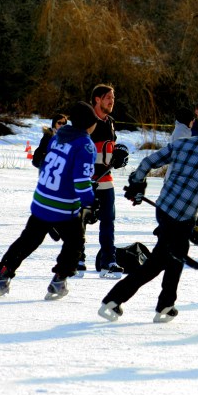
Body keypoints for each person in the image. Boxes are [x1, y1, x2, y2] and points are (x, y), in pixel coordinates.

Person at [98, 108, 198, 323]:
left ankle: (165, 305)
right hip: (183, 218)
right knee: (158, 263)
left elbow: (147, 163)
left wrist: (137, 183)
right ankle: (116, 300)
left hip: (164, 209)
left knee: (171, 260)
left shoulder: (183, 144)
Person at [0, 102, 99, 300]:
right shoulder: (85, 145)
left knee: (28, 240)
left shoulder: (57, 137)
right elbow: (81, 182)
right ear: (88, 124)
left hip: (41, 201)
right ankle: (59, 280)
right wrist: (90, 202)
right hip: (62, 207)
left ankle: (3, 274)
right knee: (75, 242)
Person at [84, 84, 123, 279]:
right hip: (86, 181)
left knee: (108, 221)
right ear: (97, 100)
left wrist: (118, 157)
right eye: (108, 97)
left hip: (106, 181)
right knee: (80, 220)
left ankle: (108, 261)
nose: (112, 101)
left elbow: (108, 151)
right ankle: (77, 258)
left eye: (113, 98)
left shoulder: (111, 122)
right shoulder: (86, 121)